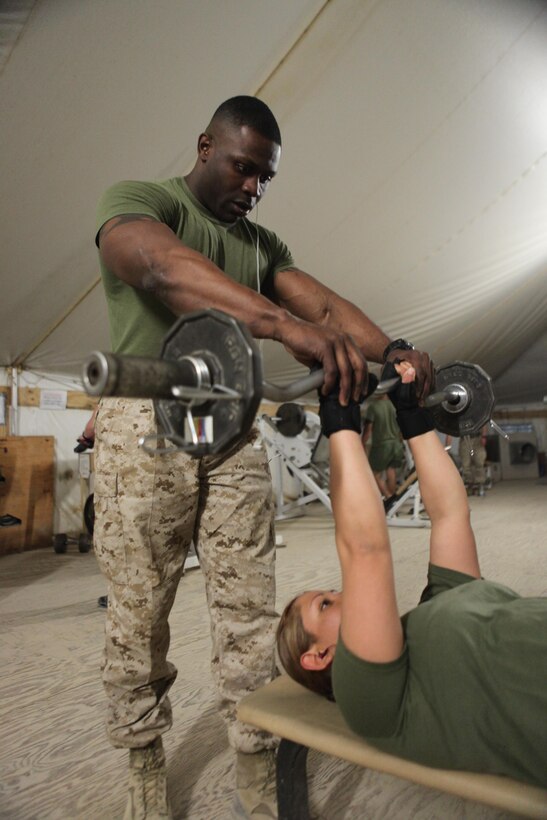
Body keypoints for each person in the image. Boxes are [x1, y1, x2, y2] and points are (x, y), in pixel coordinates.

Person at [93, 95, 434, 819]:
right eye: (243, 169)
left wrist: (392, 349)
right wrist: (277, 325)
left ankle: (255, 756)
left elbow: (323, 307)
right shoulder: (143, 202)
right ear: (205, 146)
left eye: (264, 178)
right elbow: (156, 268)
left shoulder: (260, 245)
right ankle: (144, 757)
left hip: (231, 425)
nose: (252, 187)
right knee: (138, 608)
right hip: (144, 422)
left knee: (248, 606)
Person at [276, 362, 547, 789]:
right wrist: (340, 421)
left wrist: (415, 419)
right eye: (324, 604)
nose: (342, 593)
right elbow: (365, 552)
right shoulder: (364, 695)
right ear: (320, 656)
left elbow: (451, 514)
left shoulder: (438, 604)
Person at [361, 393, 404, 497]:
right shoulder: (395, 406)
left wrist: (362, 443)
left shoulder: (374, 407)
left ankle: (388, 496)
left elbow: (368, 430)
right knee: (391, 470)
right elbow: (402, 428)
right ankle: (393, 499)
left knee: (374, 473)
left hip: (382, 445)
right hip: (396, 444)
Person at [459, 426, 488, 496]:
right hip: (464, 438)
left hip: (477, 438)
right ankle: (469, 485)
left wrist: (484, 436)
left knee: (479, 462)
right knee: (465, 464)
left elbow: (484, 423)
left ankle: (480, 484)